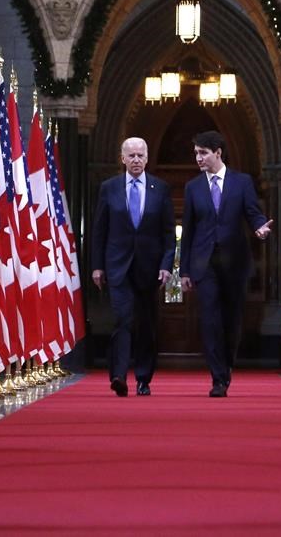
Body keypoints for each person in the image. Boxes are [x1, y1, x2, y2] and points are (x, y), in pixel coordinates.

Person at [180, 130, 272, 397]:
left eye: (203, 153)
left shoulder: (242, 182)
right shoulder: (192, 187)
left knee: (231, 319)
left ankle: (227, 363)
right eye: (196, 153)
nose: (198, 158)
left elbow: (253, 213)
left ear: (218, 153)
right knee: (209, 319)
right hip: (203, 263)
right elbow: (187, 230)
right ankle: (218, 377)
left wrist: (260, 229)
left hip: (235, 262)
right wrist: (185, 270)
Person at [91, 137, 176, 397]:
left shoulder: (160, 188)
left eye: (141, 155)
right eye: (132, 156)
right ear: (123, 158)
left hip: (149, 269)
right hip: (118, 267)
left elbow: (168, 233)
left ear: (147, 158)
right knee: (123, 319)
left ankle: (143, 378)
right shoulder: (109, 188)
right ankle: (118, 375)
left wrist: (166, 265)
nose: (136, 160)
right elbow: (99, 230)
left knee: (146, 324)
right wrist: (97, 267)